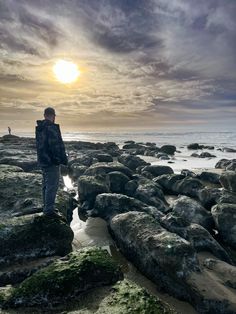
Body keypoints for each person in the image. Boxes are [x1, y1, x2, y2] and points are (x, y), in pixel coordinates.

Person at [35, 107, 68, 218]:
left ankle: (47, 206)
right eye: (53, 116)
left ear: (44, 115)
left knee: (45, 184)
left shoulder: (40, 128)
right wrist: (61, 160)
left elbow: (41, 145)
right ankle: (49, 210)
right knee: (52, 185)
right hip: (51, 162)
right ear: (53, 116)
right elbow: (55, 146)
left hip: (43, 160)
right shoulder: (51, 128)